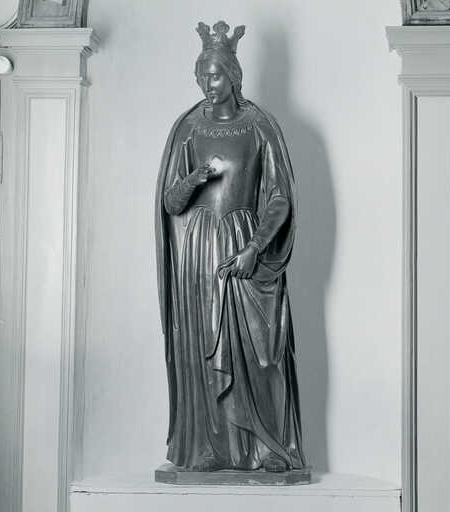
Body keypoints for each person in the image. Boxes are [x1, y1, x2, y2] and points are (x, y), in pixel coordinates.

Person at [155, 20, 306, 473]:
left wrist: (255, 247)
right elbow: (171, 202)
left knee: (261, 352)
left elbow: (280, 196)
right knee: (203, 349)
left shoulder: (260, 126)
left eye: (216, 75)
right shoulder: (187, 128)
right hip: (199, 253)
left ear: (234, 76)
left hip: (245, 247)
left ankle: (267, 448)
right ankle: (209, 446)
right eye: (201, 76)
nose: (208, 84)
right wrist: (193, 179)